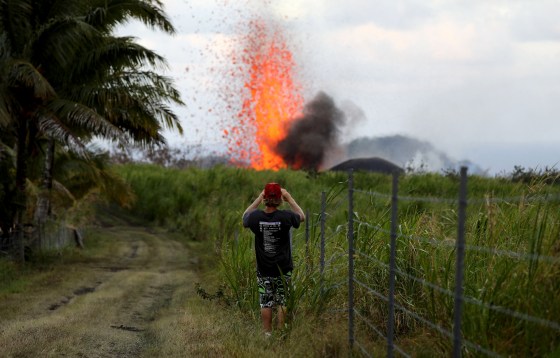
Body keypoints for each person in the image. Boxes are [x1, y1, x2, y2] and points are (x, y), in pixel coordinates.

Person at [242, 182, 305, 336]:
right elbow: (302, 216)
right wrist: (289, 198)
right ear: (280, 198)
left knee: (266, 301)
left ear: (265, 198)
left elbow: (245, 218)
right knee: (282, 301)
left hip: (264, 269)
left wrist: (258, 198)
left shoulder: (256, 217)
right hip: (283, 268)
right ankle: (281, 331)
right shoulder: (286, 217)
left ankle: (267, 334)